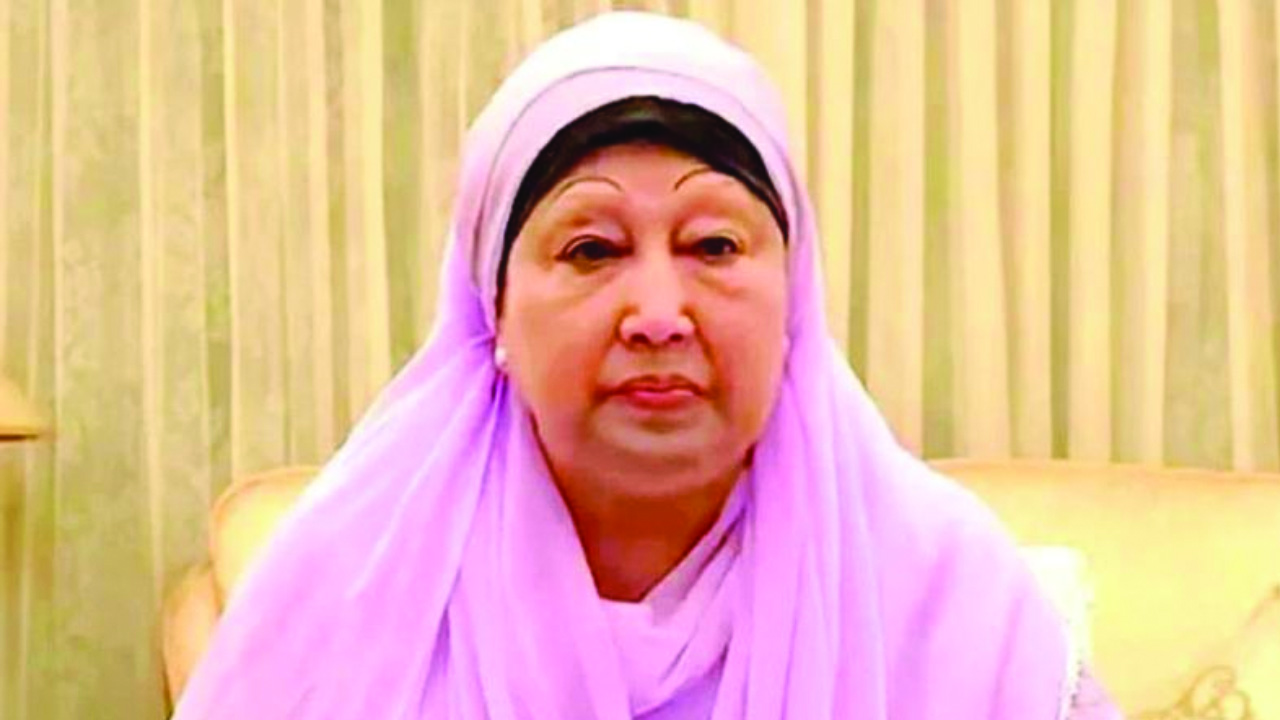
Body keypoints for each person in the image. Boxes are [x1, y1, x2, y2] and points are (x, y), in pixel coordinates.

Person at [175, 11, 1121, 719]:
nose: (660, 315)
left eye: (713, 246)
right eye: (591, 250)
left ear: (794, 297)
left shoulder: (948, 597)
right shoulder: (347, 589)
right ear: (492, 309)